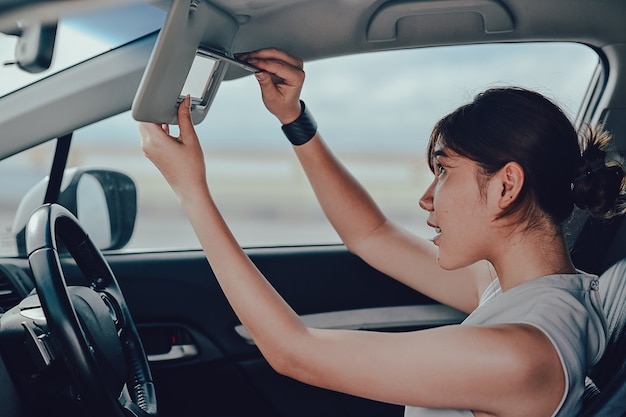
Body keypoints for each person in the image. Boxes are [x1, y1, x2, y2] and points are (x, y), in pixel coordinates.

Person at [139, 48, 626, 417]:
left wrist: (191, 193)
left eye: (444, 171)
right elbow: (370, 235)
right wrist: (293, 119)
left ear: (507, 185)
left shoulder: (519, 356)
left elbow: (295, 352)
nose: (427, 198)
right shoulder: (541, 294)